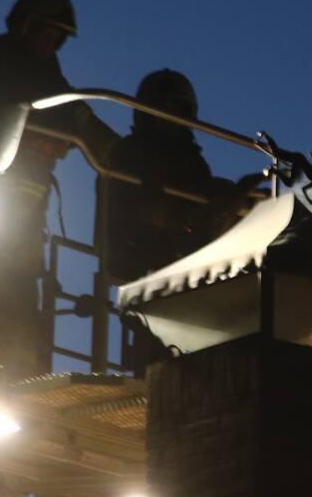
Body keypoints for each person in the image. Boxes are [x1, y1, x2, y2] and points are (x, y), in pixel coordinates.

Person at [0, 0, 119, 381]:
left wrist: (130, 160)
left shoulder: (58, 92)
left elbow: (94, 134)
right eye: (43, 31)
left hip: (24, 222)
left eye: (57, 36)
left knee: (20, 303)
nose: (49, 41)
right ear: (23, 26)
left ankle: (18, 379)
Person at [106, 69, 264, 374]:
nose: (170, 117)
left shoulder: (192, 161)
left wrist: (244, 198)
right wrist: (186, 218)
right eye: (163, 109)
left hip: (188, 269)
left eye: (177, 111)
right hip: (145, 263)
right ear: (146, 113)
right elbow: (135, 207)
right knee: (159, 358)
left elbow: (205, 193)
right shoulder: (128, 154)